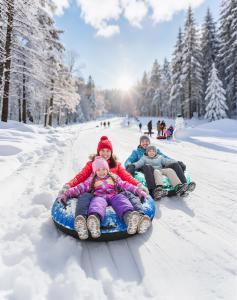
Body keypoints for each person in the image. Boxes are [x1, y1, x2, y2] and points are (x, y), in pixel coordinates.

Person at [58, 136, 149, 238]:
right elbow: (80, 179)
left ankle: (132, 218)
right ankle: (90, 221)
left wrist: (138, 186)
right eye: (102, 150)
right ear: (98, 151)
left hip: (114, 194)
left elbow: (126, 180)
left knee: (123, 199)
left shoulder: (115, 171)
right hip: (98, 195)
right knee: (95, 203)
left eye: (108, 151)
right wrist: (68, 188)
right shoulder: (92, 172)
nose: (105, 153)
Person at [125, 135, 196, 197]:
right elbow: (130, 160)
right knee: (147, 166)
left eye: (146, 141)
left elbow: (165, 158)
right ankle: (153, 191)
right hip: (147, 169)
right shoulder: (137, 152)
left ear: (149, 142)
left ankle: (183, 186)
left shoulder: (156, 150)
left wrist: (176, 162)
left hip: (159, 167)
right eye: (143, 141)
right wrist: (130, 166)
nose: (145, 143)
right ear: (140, 143)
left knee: (174, 165)